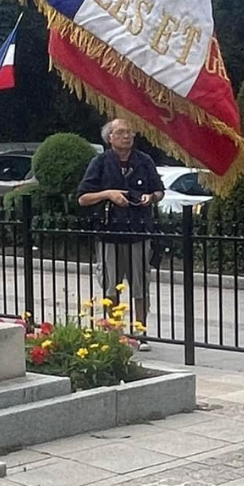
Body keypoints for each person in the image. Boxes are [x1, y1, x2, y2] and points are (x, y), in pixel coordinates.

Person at [76, 119, 164, 348]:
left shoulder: (144, 161)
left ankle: (140, 332)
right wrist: (108, 194)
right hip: (109, 233)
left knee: (140, 284)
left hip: (138, 230)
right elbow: (83, 197)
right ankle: (114, 333)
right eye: (122, 132)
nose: (127, 136)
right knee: (110, 285)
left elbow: (158, 190)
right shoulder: (101, 162)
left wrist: (151, 197)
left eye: (130, 132)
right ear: (110, 138)